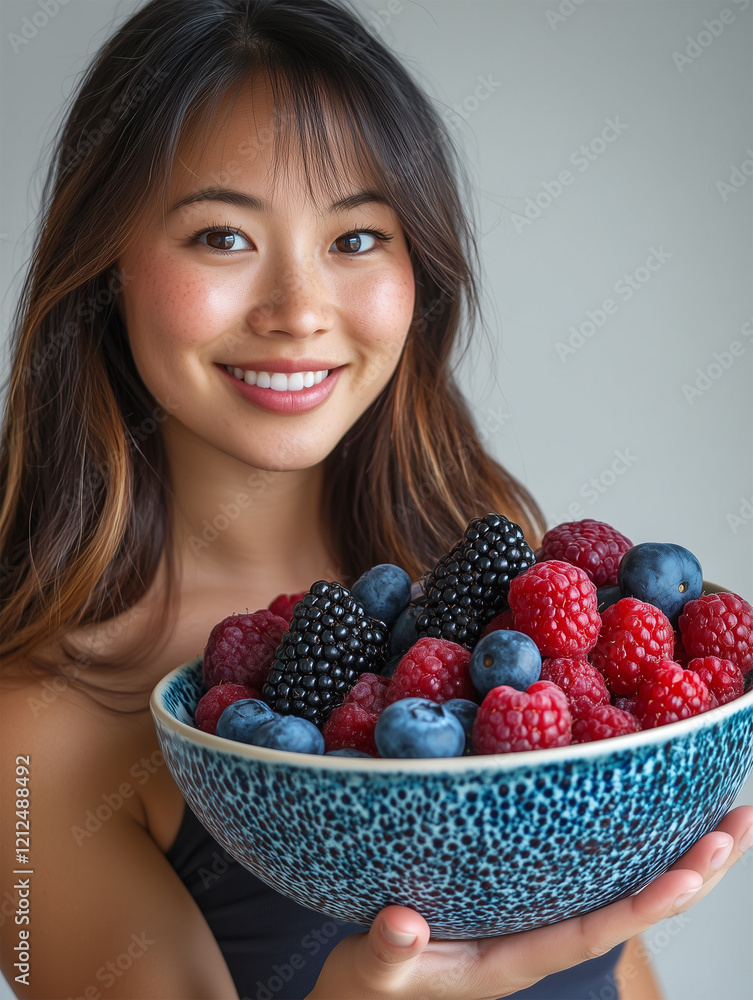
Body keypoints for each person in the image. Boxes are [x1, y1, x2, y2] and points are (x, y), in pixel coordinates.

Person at [1, 1, 751, 997]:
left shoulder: (489, 600)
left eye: (355, 238)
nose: (300, 309)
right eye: (222, 236)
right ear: (106, 269)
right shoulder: (36, 732)